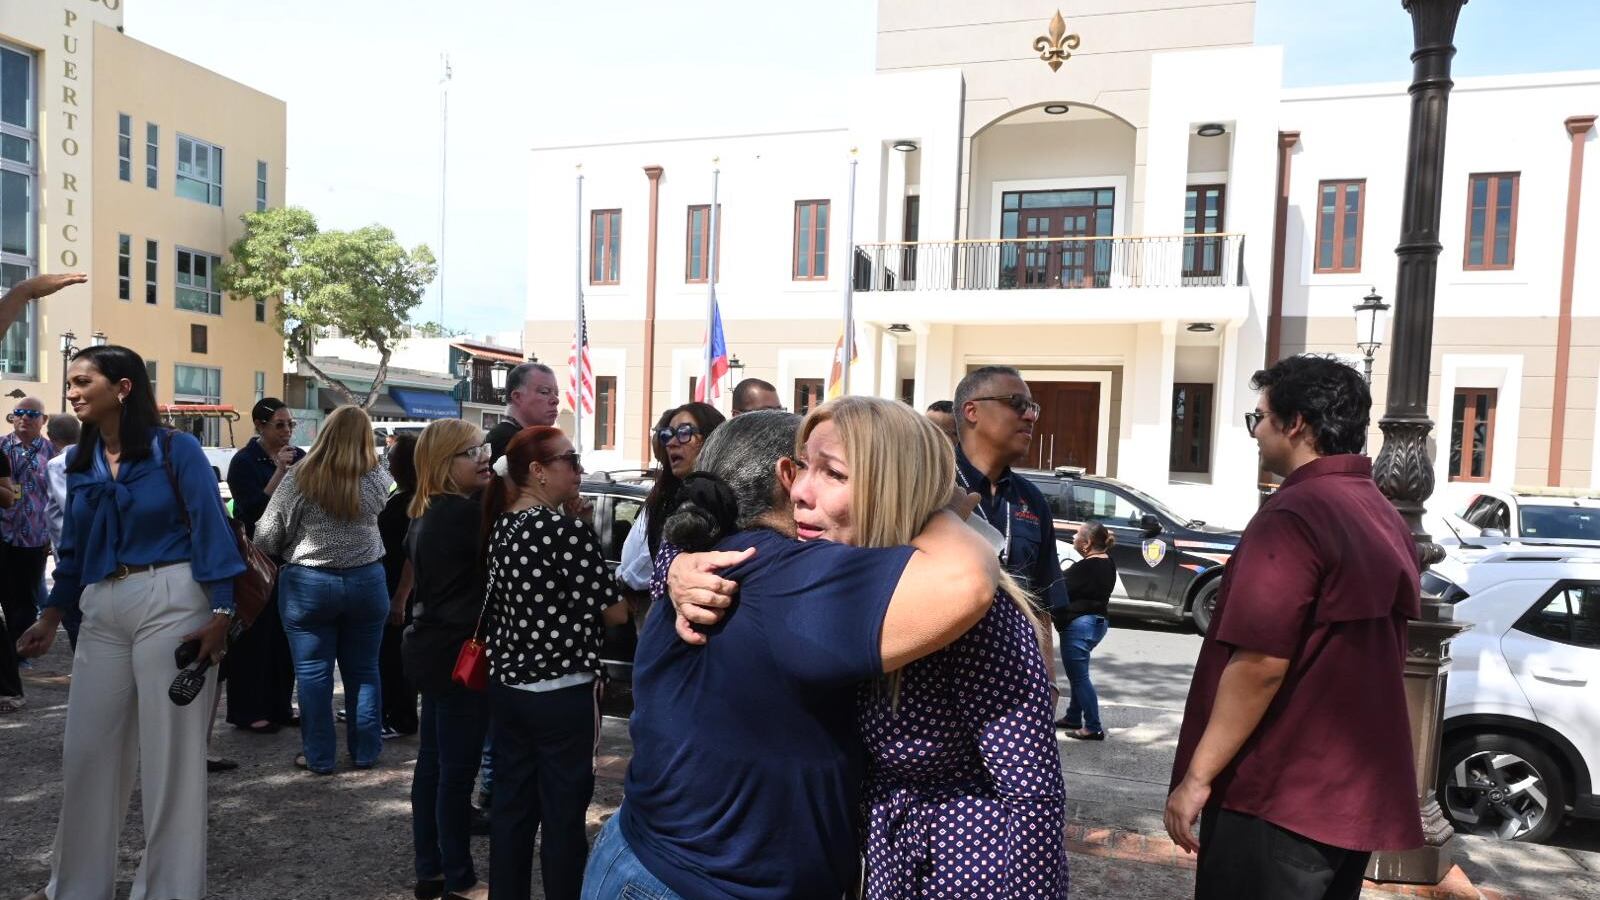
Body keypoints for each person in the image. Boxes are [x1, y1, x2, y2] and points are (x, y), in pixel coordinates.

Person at [581, 410, 1002, 900]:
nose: (811, 485)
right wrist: (940, 504)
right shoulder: (783, 575)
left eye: (836, 472)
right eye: (814, 467)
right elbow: (966, 581)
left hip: (651, 862)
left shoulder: (716, 556)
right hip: (689, 884)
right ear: (788, 476)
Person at [1164, 355, 1423, 900]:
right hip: (1342, 794)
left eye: (1258, 417)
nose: (1255, 432)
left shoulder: (1295, 513)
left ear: (1296, 423)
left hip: (1277, 792)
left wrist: (1197, 777)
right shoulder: (1378, 509)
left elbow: (1260, 663)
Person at [792, 396, 1067, 898]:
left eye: (833, 473)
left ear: (889, 489)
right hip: (883, 861)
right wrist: (679, 567)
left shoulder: (977, 617)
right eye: (802, 466)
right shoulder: (824, 574)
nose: (799, 492)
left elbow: (1033, 796)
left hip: (963, 870)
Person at [16, 344, 245, 900]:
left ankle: (168, 891)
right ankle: (74, 887)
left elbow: (211, 528)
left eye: (83, 381)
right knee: (87, 752)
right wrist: (51, 613)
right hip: (101, 603)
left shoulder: (176, 448)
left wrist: (222, 613)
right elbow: (73, 549)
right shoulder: (80, 460)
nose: (72, 391)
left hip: (174, 595)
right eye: (71, 382)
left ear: (123, 388)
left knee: (171, 760)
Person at [482, 426, 629, 900]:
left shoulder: (503, 526)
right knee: (563, 817)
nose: (579, 469)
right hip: (563, 690)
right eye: (570, 460)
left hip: (509, 687)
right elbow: (615, 612)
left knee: (512, 811)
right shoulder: (565, 533)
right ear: (538, 471)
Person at [253, 404, 392, 775]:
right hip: (366, 580)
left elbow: (266, 535)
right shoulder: (377, 477)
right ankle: (366, 751)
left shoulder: (301, 476)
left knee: (313, 675)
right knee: (364, 671)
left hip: (309, 583)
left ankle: (319, 757)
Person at [403, 419, 495, 900]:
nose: (484, 458)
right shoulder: (461, 514)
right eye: (472, 452)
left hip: (433, 649)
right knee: (453, 774)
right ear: (444, 461)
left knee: (434, 766)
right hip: (458, 655)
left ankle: (432, 870)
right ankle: (459, 878)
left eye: (483, 449)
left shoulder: (427, 510)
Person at [222, 397, 304, 733]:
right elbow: (253, 509)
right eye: (279, 425)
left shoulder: (299, 456)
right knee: (254, 634)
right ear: (259, 426)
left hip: (289, 555)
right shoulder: (244, 461)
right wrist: (280, 472)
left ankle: (280, 705)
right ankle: (248, 710)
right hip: (256, 557)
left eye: (290, 424)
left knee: (284, 636)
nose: (286, 431)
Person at [617, 402, 725, 592]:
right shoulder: (663, 500)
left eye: (684, 432)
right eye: (667, 435)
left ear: (711, 439)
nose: (671, 443)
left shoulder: (731, 502)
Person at [1, 396, 55, 656]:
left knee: (26, 600)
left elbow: (59, 498)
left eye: (32, 414)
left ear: (44, 420)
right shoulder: (1, 447)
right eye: (19, 412)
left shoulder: (53, 454)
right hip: (2, 534)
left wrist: (53, 536)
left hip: (34, 538)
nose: (24, 418)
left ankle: (19, 653)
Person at [1056, 521, 1116, 739]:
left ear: (1087, 543)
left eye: (1077, 534)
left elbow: (1057, 588)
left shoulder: (1085, 567)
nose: (1073, 537)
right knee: (1077, 675)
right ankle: (1073, 716)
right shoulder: (1108, 562)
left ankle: (1093, 726)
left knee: (1080, 678)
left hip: (1079, 625)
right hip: (1097, 623)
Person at [378, 432, 420, 737]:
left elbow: (411, 555)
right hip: (390, 585)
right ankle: (387, 709)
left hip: (400, 590)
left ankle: (400, 717)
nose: (387, 463)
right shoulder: (402, 494)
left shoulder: (413, 502)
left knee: (397, 657)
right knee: (389, 655)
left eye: (391, 458)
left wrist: (400, 598)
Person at [42, 412, 83, 651]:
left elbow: (69, 505)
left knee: (75, 618)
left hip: (71, 554)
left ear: (50, 437)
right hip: (85, 554)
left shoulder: (58, 464)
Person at [486, 362, 560, 463]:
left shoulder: (531, 439)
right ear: (517, 397)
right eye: (544, 392)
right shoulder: (507, 441)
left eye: (556, 394)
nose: (555, 400)